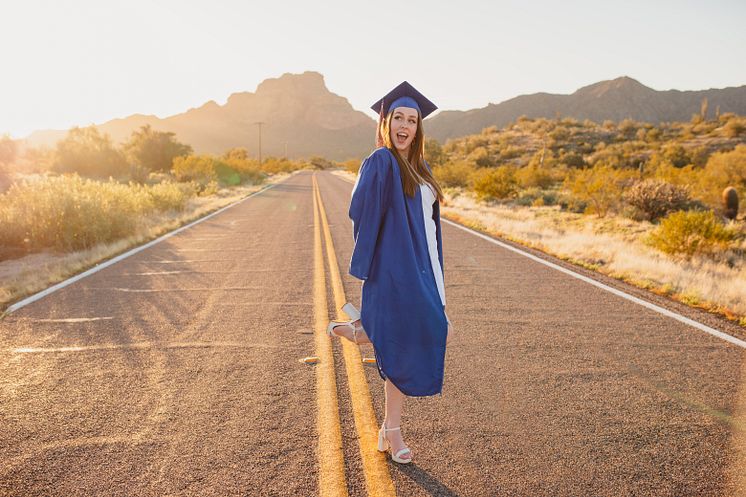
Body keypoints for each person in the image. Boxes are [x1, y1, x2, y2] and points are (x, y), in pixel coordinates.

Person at [326, 81, 452, 464]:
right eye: (398, 117)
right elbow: (360, 211)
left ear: (418, 129)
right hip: (398, 270)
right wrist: (373, 269)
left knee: (429, 330)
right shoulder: (380, 162)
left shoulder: (422, 167)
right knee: (403, 339)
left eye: (412, 120)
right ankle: (392, 432)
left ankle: (361, 331)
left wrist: (439, 278)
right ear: (386, 122)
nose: (405, 125)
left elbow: (431, 229)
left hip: (428, 268)